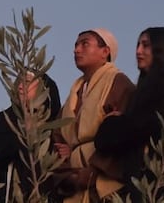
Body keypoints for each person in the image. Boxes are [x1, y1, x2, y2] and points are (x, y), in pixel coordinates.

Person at [94, 27, 164, 203]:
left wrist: (113, 123)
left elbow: (146, 125)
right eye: (138, 45)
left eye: (146, 45)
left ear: (162, 48)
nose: (138, 51)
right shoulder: (145, 88)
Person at [52, 29, 135, 203]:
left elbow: (122, 136)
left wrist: (92, 173)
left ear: (105, 52)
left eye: (85, 44)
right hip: (74, 185)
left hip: (106, 186)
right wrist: (69, 176)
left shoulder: (119, 83)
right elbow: (58, 139)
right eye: (76, 45)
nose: (76, 50)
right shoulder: (74, 94)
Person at [0, 70, 62, 203]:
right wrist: (25, 136)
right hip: (13, 194)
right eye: (18, 83)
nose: (20, 87)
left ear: (43, 88)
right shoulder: (5, 119)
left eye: (27, 82)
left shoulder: (54, 121)